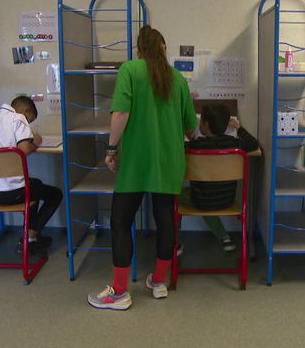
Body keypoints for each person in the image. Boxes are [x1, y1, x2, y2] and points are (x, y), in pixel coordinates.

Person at [87, 25, 197, 310]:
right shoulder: (177, 79)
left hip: (136, 161)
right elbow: (191, 129)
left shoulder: (130, 70)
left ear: (138, 50)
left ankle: (120, 291)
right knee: (165, 222)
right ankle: (159, 282)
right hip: (169, 162)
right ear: (163, 48)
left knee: (121, 222)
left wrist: (111, 149)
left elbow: (121, 112)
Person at [0, 96, 63, 257]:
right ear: (25, 111)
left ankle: (32, 236)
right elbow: (23, 149)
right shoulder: (18, 118)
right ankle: (30, 236)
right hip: (12, 192)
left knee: (34, 185)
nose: (28, 124)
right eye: (30, 120)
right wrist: (36, 141)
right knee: (55, 194)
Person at [178, 103, 260, 253]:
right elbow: (253, 144)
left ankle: (174, 244)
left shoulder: (195, 146)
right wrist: (239, 127)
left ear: (206, 124)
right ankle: (225, 238)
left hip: (200, 200)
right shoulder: (235, 144)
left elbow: (176, 146)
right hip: (227, 200)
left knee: (172, 195)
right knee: (208, 195)